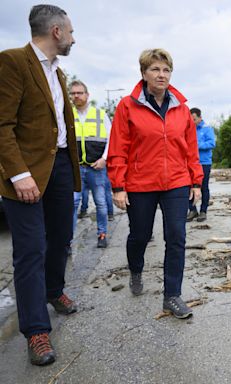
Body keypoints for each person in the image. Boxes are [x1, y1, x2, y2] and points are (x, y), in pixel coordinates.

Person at [0, 4, 80, 366]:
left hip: (61, 166)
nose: (74, 38)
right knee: (30, 250)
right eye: (72, 32)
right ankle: (36, 331)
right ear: (57, 32)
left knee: (61, 238)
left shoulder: (58, 73)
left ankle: (54, 291)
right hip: (26, 175)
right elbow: (1, 125)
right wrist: (19, 174)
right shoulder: (13, 62)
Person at [107, 48, 203, 319]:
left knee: (177, 236)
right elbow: (118, 147)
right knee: (139, 235)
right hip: (140, 183)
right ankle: (136, 269)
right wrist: (118, 185)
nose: (161, 75)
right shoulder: (127, 105)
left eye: (166, 70)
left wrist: (196, 181)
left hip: (176, 182)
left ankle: (172, 295)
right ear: (144, 73)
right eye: (155, 69)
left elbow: (190, 149)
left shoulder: (181, 109)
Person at [69, 80, 111, 247]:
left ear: (87, 95)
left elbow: (111, 139)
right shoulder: (67, 115)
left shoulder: (100, 114)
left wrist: (104, 159)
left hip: (96, 167)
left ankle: (102, 233)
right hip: (76, 168)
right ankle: (68, 241)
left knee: (101, 202)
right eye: (73, 93)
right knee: (72, 204)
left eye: (79, 92)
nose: (76, 96)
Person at [187, 108, 215, 222]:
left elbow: (211, 143)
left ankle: (203, 211)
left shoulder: (207, 129)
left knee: (203, 187)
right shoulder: (188, 129)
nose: (192, 121)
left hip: (204, 163)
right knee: (188, 187)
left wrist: (196, 145)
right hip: (190, 163)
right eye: (190, 119)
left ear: (199, 117)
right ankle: (192, 210)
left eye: (194, 119)